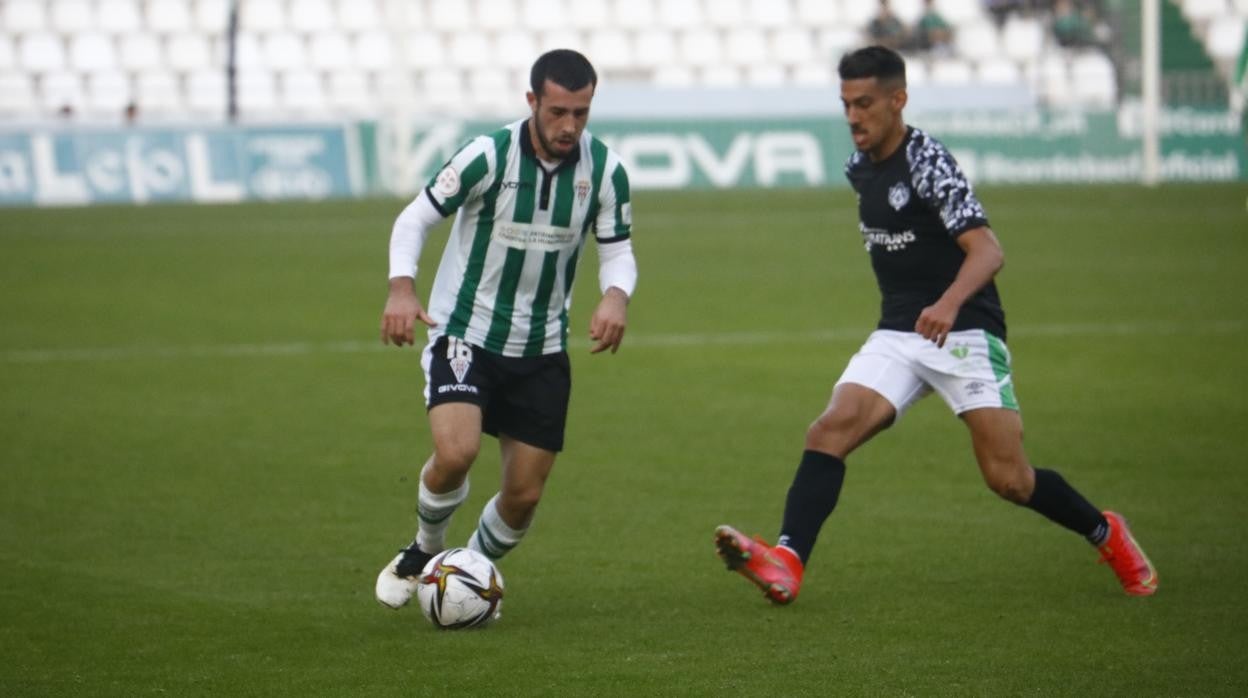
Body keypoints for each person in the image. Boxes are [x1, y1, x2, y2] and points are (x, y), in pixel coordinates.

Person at [713, 45, 1157, 604]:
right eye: (846, 103)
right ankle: (786, 561)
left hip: (964, 329)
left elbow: (988, 251)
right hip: (900, 330)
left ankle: (1106, 532)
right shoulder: (859, 167)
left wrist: (946, 304)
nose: (853, 116)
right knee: (828, 430)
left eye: (865, 103)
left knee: (1009, 479)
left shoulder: (928, 162)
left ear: (898, 100)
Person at [375, 49, 637, 609]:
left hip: (541, 349)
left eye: (582, 113)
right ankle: (425, 550)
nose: (569, 126)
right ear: (532, 102)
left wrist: (616, 296)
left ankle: (464, 576)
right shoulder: (488, 155)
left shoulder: (607, 171)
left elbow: (618, 251)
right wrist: (402, 287)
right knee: (456, 454)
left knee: (523, 495)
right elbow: (415, 217)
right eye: (559, 111)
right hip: (465, 333)